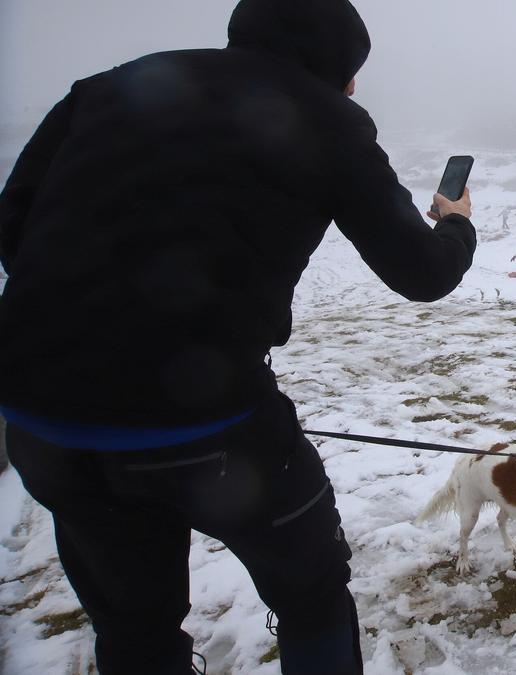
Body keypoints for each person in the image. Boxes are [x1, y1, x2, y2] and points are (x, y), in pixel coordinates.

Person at [0, 0, 477, 673]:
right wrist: (456, 224)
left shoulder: (107, 88)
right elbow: (423, 273)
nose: (354, 89)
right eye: (352, 73)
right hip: (207, 423)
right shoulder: (326, 118)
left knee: (134, 628)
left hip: (44, 422)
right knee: (312, 592)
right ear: (334, 63)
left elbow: (14, 225)